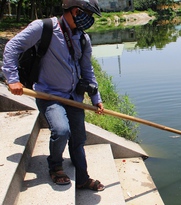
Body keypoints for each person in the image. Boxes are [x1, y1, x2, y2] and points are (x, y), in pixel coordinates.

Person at [1, 0, 105, 191]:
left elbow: (87, 70)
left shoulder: (83, 38)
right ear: (76, 11)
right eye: (89, 15)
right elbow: (12, 47)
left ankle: (82, 178)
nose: (90, 20)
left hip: (74, 97)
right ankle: (55, 166)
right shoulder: (44, 27)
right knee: (61, 130)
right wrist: (12, 78)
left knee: (79, 138)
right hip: (49, 95)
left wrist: (97, 98)